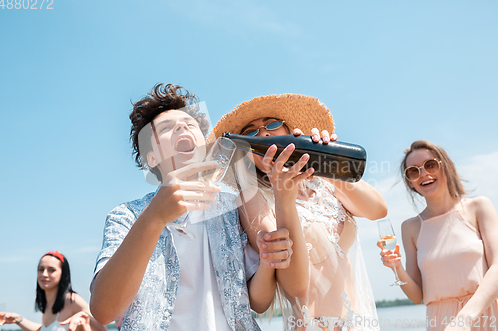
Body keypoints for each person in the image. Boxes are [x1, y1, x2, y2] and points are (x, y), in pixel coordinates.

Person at [89, 84, 292, 331]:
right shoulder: (126, 216)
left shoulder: (232, 208)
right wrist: (153, 218)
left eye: (189, 124)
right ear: (151, 157)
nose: (181, 127)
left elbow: (259, 303)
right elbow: (103, 310)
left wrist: (267, 260)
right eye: (165, 128)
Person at [211, 94, 388, 331]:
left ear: (289, 130)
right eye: (251, 133)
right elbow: (294, 285)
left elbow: (378, 209)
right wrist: (284, 197)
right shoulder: (252, 197)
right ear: (247, 152)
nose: (263, 134)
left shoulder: (325, 184)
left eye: (272, 124)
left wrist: (324, 162)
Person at [378, 140, 498, 331]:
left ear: (445, 166)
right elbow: (418, 296)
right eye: (413, 171)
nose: (424, 173)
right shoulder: (410, 228)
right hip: (440, 323)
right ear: (410, 182)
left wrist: (465, 318)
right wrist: (396, 267)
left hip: (483, 316)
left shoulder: (479, 207)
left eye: (430, 165)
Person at [0, 251, 105, 331]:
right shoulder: (48, 304)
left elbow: (101, 329)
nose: (44, 274)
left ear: (62, 274)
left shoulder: (73, 300)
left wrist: (85, 325)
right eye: (41, 269)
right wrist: (17, 319)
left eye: (51, 270)